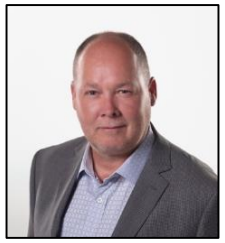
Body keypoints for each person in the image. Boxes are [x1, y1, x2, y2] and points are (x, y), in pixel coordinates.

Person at [28, 31, 218, 237]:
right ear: (74, 96)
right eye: (93, 92)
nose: (109, 109)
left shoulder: (204, 194)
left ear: (152, 92)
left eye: (123, 91)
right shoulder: (45, 166)